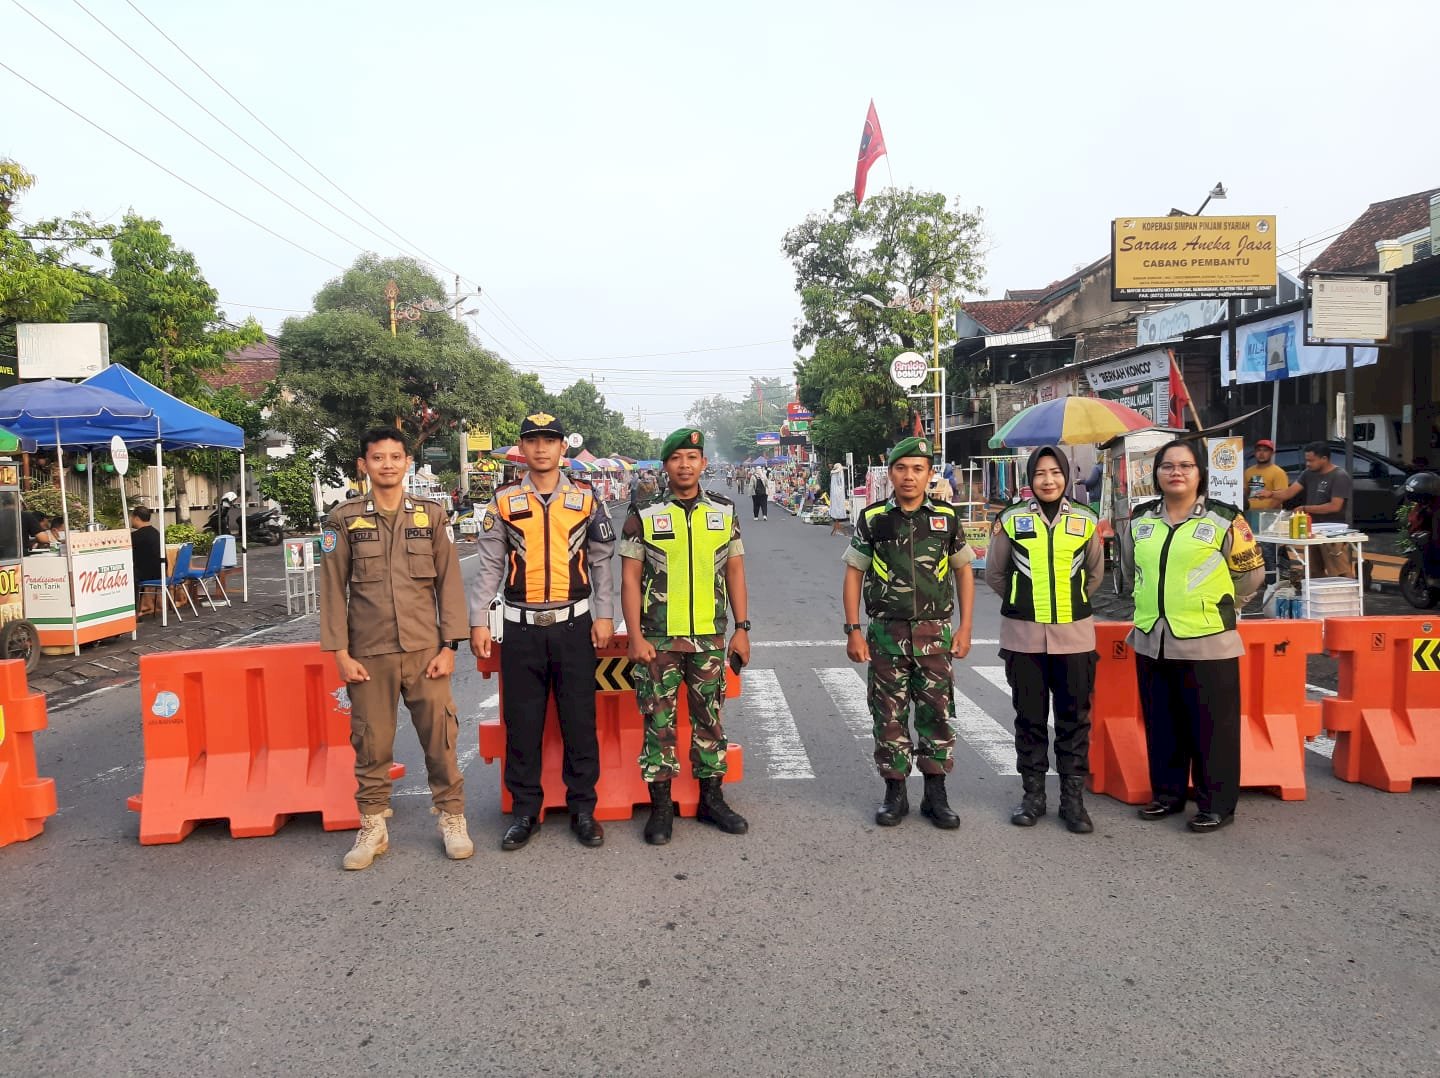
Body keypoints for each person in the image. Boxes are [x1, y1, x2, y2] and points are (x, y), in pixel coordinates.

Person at [319, 427, 472, 870]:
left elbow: (450, 583)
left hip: (426, 652)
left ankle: (452, 818)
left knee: (441, 739)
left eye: (395, 457)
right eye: (377, 457)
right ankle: (372, 826)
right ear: (362, 465)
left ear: (408, 463)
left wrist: (450, 646)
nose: (387, 464)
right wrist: (341, 654)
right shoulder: (344, 520)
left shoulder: (432, 516)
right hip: (369, 653)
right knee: (371, 742)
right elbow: (332, 589)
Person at [469, 412, 616, 852]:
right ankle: (525, 812)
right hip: (521, 629)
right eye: (532, 441)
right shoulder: (504, 502)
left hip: (575, 626)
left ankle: (583, 809)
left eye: (549, 441)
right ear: (522, 447)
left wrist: (605, 615)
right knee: (523, 722)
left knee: (579, 720)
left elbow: (601, 562)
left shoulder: (587, 500)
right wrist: (478, 618)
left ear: (562, 448)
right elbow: (490, 565)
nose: (541, 449)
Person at [1121, 439, 1264, 834]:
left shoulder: (1225, 519)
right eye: (1168, 466)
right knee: (1162, 722)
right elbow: (1133, 567)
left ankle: (1216, 804)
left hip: (1208, 641)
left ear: (1200, 473)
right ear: (1157, 473)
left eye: (1185, 465)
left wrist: (1225, 607)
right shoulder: (1141, 519)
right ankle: (1166, 795)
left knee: (1211, 727)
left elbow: (1250, 575)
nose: (1176, 472)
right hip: (1153, 637)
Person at [620, 427, 750, 844]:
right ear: (665, 465)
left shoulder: (725, 512)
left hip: (710, 638)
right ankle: (661, 809)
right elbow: (629, 579)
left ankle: (712, 799)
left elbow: (735, 572)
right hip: (658, 640)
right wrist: (635, 637)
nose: (684, 465)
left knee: (709, 720)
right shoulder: (642, 513)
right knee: (658, 723)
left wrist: (742, 629)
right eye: (676, 458)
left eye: (692, 457)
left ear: (703, 464)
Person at [843, 436, 975, 830]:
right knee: (889, 716)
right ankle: (895, 793)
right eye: (902, 468)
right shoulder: (873, 519)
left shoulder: (947, 518)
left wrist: (965, 627)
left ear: (930, 474)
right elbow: (854, 574)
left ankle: (936, 795)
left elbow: (964, 571)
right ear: (891, 472)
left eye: (918, 469)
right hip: (886, 634)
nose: (909, 476)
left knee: (937, 713)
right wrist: (853, 630)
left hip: (936, 635)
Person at [983, 445, 1104, 834]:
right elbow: (995, 574)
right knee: (1029, 719)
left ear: (1066, 476)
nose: (1048, 480)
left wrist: (1067, 603)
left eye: (1055, 472)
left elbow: (1095, 575)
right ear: (1029, 479)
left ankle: (1073, 801)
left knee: (1074, 719)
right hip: (1024, 637)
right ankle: (1032, 796)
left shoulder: (1086, 520)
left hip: (1075, 638)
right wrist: (1024, 603)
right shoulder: (1011, 519)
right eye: (1040, 473)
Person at [1251, 441, 1355, 577]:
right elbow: (1289, 493)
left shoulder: (1339, 476)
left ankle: (1348, 595)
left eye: (1311, 460)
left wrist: (1305, 508)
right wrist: (1271, 493)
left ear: (1324, 459)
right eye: (1306, 460)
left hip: (1333, 532)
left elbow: (1335, 506)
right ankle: (1316, 597)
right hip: (1311, 530)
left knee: (1339, 571)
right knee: (1313, 571)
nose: (1307, 464)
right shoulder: (1308, 474)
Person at [1243, 438, 1289, 583]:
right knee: (1252, 549)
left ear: (1271, 453)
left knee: (1269, 550)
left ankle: (1272, 582)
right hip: (1250, 515)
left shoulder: (1278, 472)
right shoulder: (1249, 471)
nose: (1262, 454)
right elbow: (1245, 492)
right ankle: (1256, 581)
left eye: (1265, 451)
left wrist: (1269, 513)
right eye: (1259, 450)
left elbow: (1281, 495)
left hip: (1270, 516)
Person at [129, 506, 162, 611]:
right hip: (159, 571)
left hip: (147, 574)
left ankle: (132, 610)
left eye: (131, 517)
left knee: (127, 575)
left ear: (137, 518)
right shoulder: (156, 533)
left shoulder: (136, 536)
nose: (130, 520)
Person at [828, 462, 849, 536]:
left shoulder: (833, 474)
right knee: (839, 505)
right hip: (839, 493)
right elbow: (840, 482)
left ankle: (836, 519)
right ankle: (838, 520)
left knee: (835, 505)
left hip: (834, 493)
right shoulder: (839, 473)